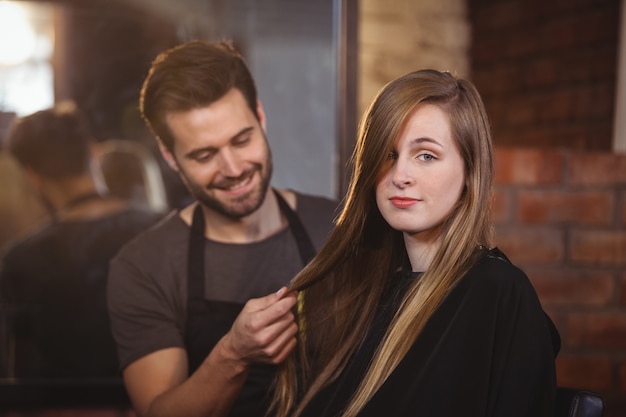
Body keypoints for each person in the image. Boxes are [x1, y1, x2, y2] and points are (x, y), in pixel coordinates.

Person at [272, 69, 561, 417]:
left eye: (426, 155)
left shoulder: (498, 292)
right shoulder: (363, 293)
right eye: (388, 155)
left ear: (470, 172)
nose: (400, 176)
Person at [106, 40, 337, 417]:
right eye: (204, 154)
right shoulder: (143, 266)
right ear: (170, 157)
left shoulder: (338, 228)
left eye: (242, 140)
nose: (232, 169)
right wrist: (233, 353)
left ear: (260, 117)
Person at [0, 102, 162, 378]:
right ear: (93, 151)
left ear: (33, 177)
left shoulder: (22, 259)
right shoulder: (163, 231)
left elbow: (19, 376)